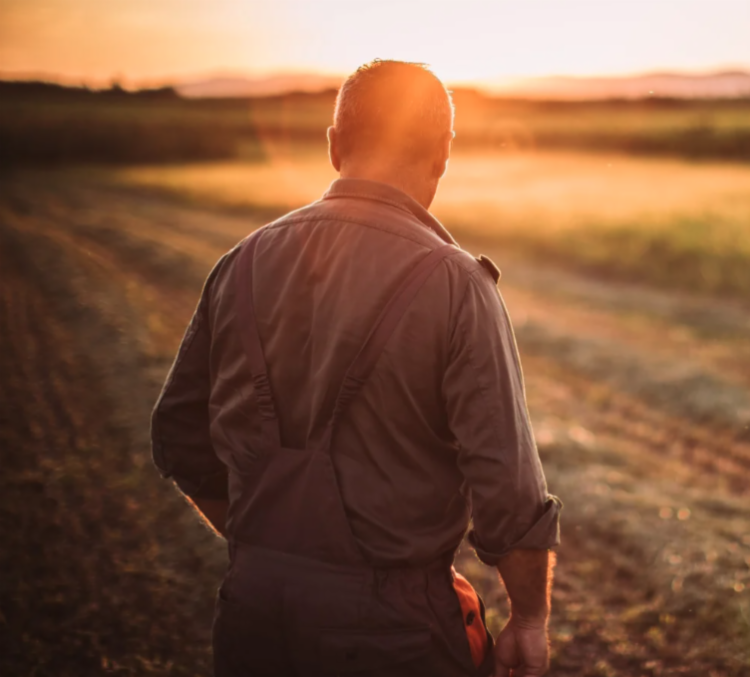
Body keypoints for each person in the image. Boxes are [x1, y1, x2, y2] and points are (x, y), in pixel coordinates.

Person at [150, 60, 561, 677]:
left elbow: (180, 438)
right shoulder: (456, 284)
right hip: (395, 632)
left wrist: (272, 550)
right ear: (442, 155)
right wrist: (528, 621)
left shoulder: (242, 261)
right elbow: (508, 488)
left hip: (251, 608)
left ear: (335, 145)